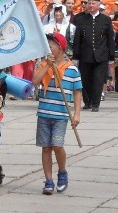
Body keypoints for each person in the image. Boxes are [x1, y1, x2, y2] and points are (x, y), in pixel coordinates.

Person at [32, 33, 82, 195]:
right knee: (46, 148)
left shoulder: (72, 69)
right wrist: (47, 66)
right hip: (44, 112)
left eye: (51, 46)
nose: (48, 49)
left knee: (57, 146)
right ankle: (48, 180)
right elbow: (35, 81)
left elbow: (77, 92)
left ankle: (62, 172)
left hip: (61, 115)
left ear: (60, 48)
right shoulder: (43, 65)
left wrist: (76, 114)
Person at [72, 0, 114, 112]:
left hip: (101, 56)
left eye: (93, 3)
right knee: (85, 79)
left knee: (98, 80)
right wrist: (76, 56)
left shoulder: (105, 20)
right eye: (89, 3)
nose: (90, 6)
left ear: (98, 4)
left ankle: (96, 103)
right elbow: (77, 39)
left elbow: (110, 39)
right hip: (85, 55)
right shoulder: (81, 19)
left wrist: (111, 56)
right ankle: (88, 101)